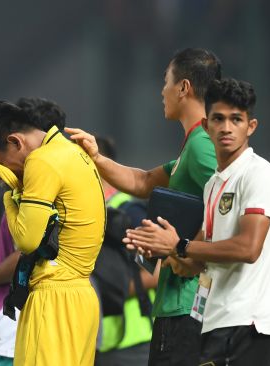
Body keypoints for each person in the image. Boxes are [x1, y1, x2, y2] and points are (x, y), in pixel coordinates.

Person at [67, 48, 221, 365]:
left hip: (187, 306)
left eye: (166, 81)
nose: (161, 90)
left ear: (184, 88)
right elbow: (143, 181)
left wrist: (184, 251)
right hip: (176, 306)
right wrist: (96, 157)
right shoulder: (195, 143)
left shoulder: (203, 144)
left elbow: (229, 205)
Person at [126, 78, 270, 365]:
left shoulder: (259, 174)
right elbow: (197, 262)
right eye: (219, 119)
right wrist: (164, 248)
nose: (226, 127)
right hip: (212, 320)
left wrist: (180, 244)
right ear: (206, 125)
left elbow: (248, 249)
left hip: (246, 322)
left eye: (236, 119)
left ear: (251, 127)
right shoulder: (214, 183)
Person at [0, 101, 106, 365]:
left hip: (53, 300)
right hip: (81, 299)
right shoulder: (74, 152)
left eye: (1, 166)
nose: (7, 173)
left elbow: (26, 240)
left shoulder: (41, 161)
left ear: (15, 141)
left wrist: (11, 195)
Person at [0, 97, 68, 366]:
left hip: (19, 328)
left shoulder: (45, 186)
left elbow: (29, 252)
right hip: (17, 326)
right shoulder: (20, 187)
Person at [93, 137, 158, 366]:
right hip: (99, 339)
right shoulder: (84, 214)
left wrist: (116, 289)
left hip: (134, 337)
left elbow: (163, 267)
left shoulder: (130, 211)